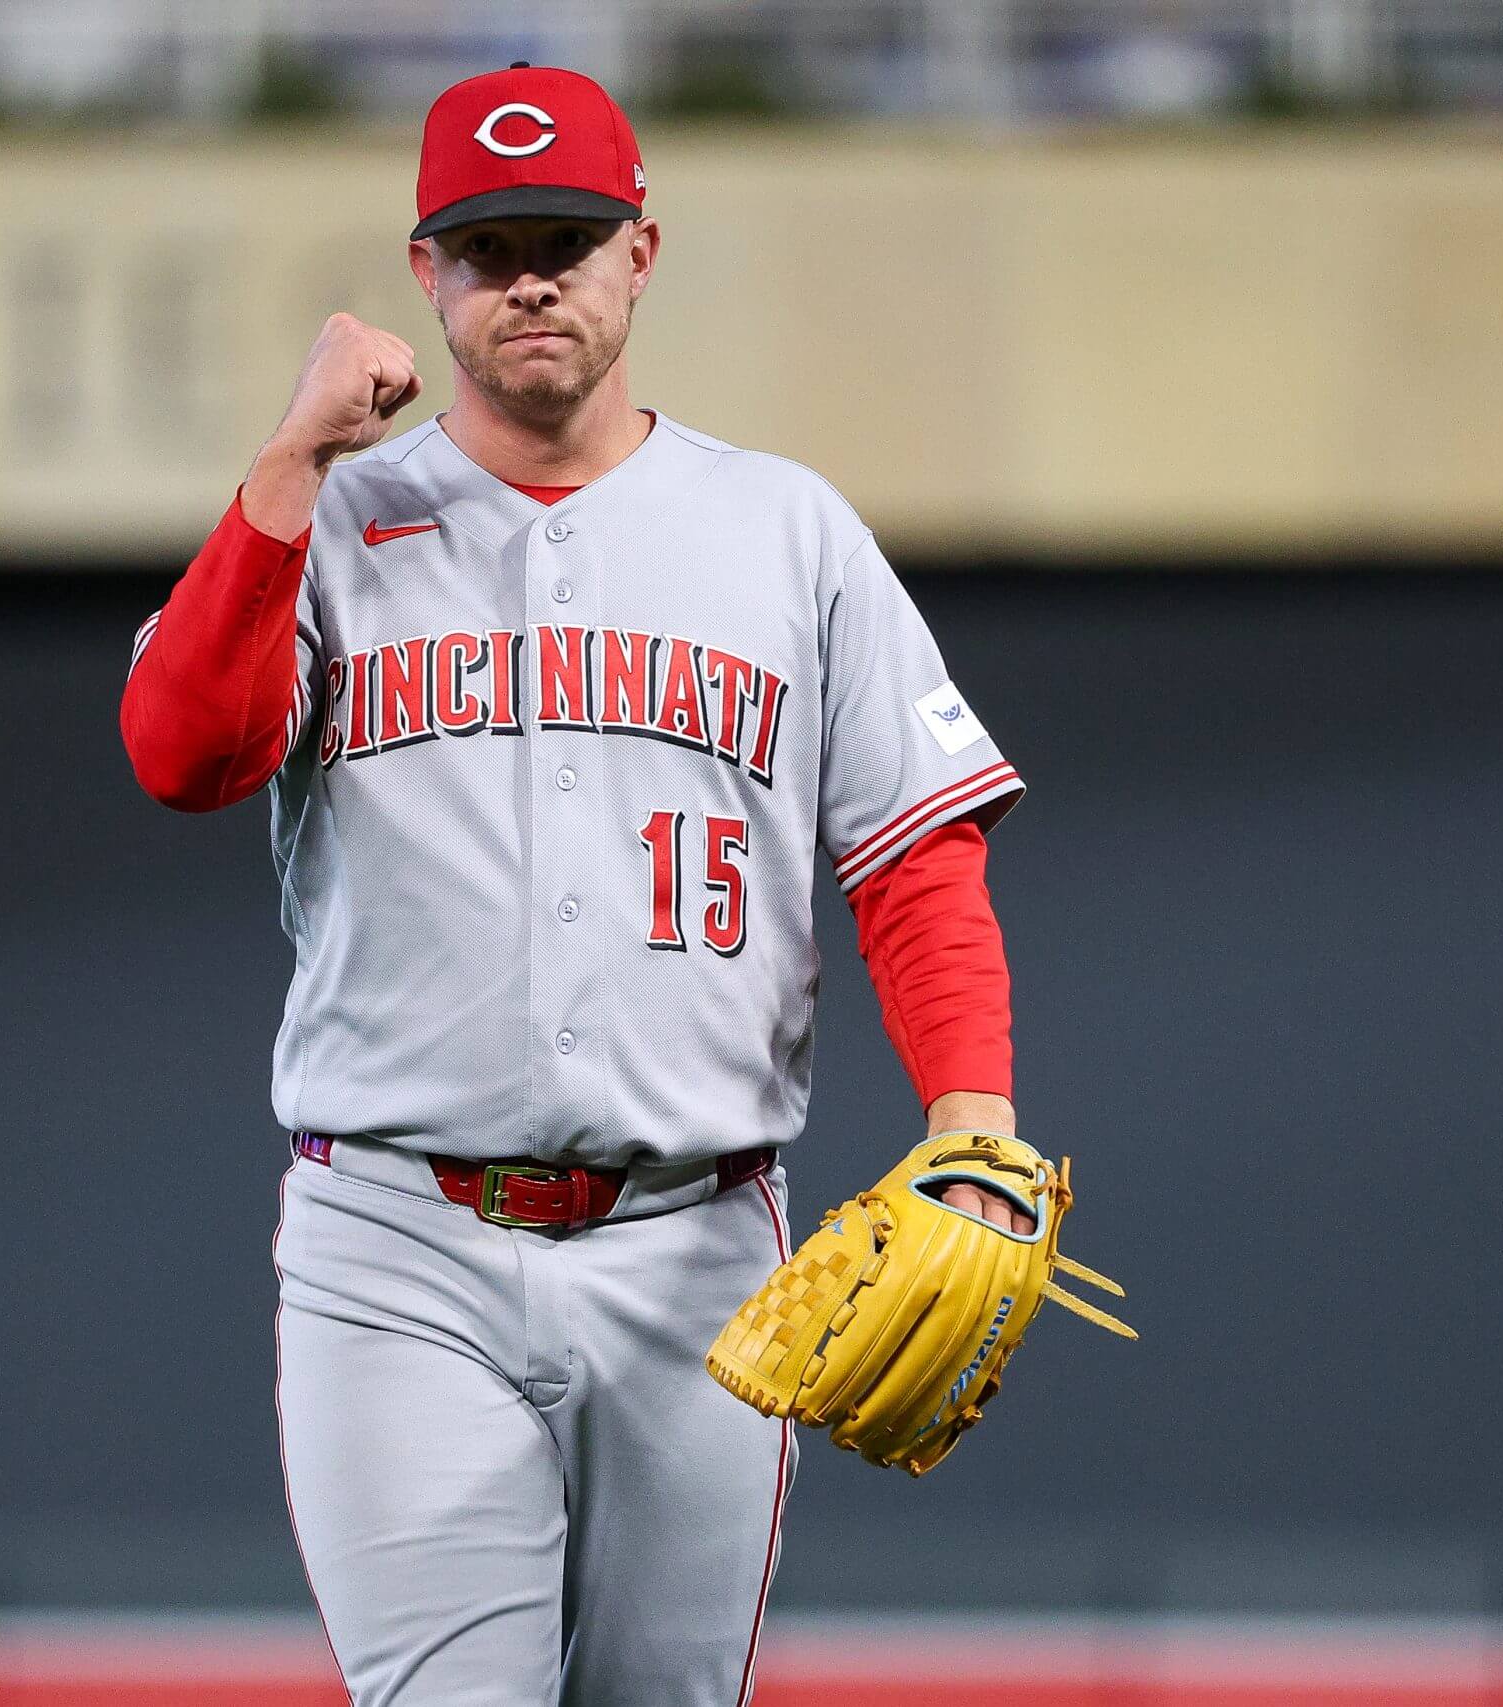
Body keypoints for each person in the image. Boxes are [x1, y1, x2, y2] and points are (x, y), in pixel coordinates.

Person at [120, 62, 1036, 1707]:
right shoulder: (328, 521)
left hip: (699, 1250)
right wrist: (290, 460)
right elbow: (183, 754)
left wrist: (973, 1123)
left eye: (567, 240)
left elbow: (914, 857)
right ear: (427, 271)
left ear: (641, 253)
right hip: (400, 1242)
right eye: (489, 247)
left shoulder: (786, 530)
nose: (530, 279)